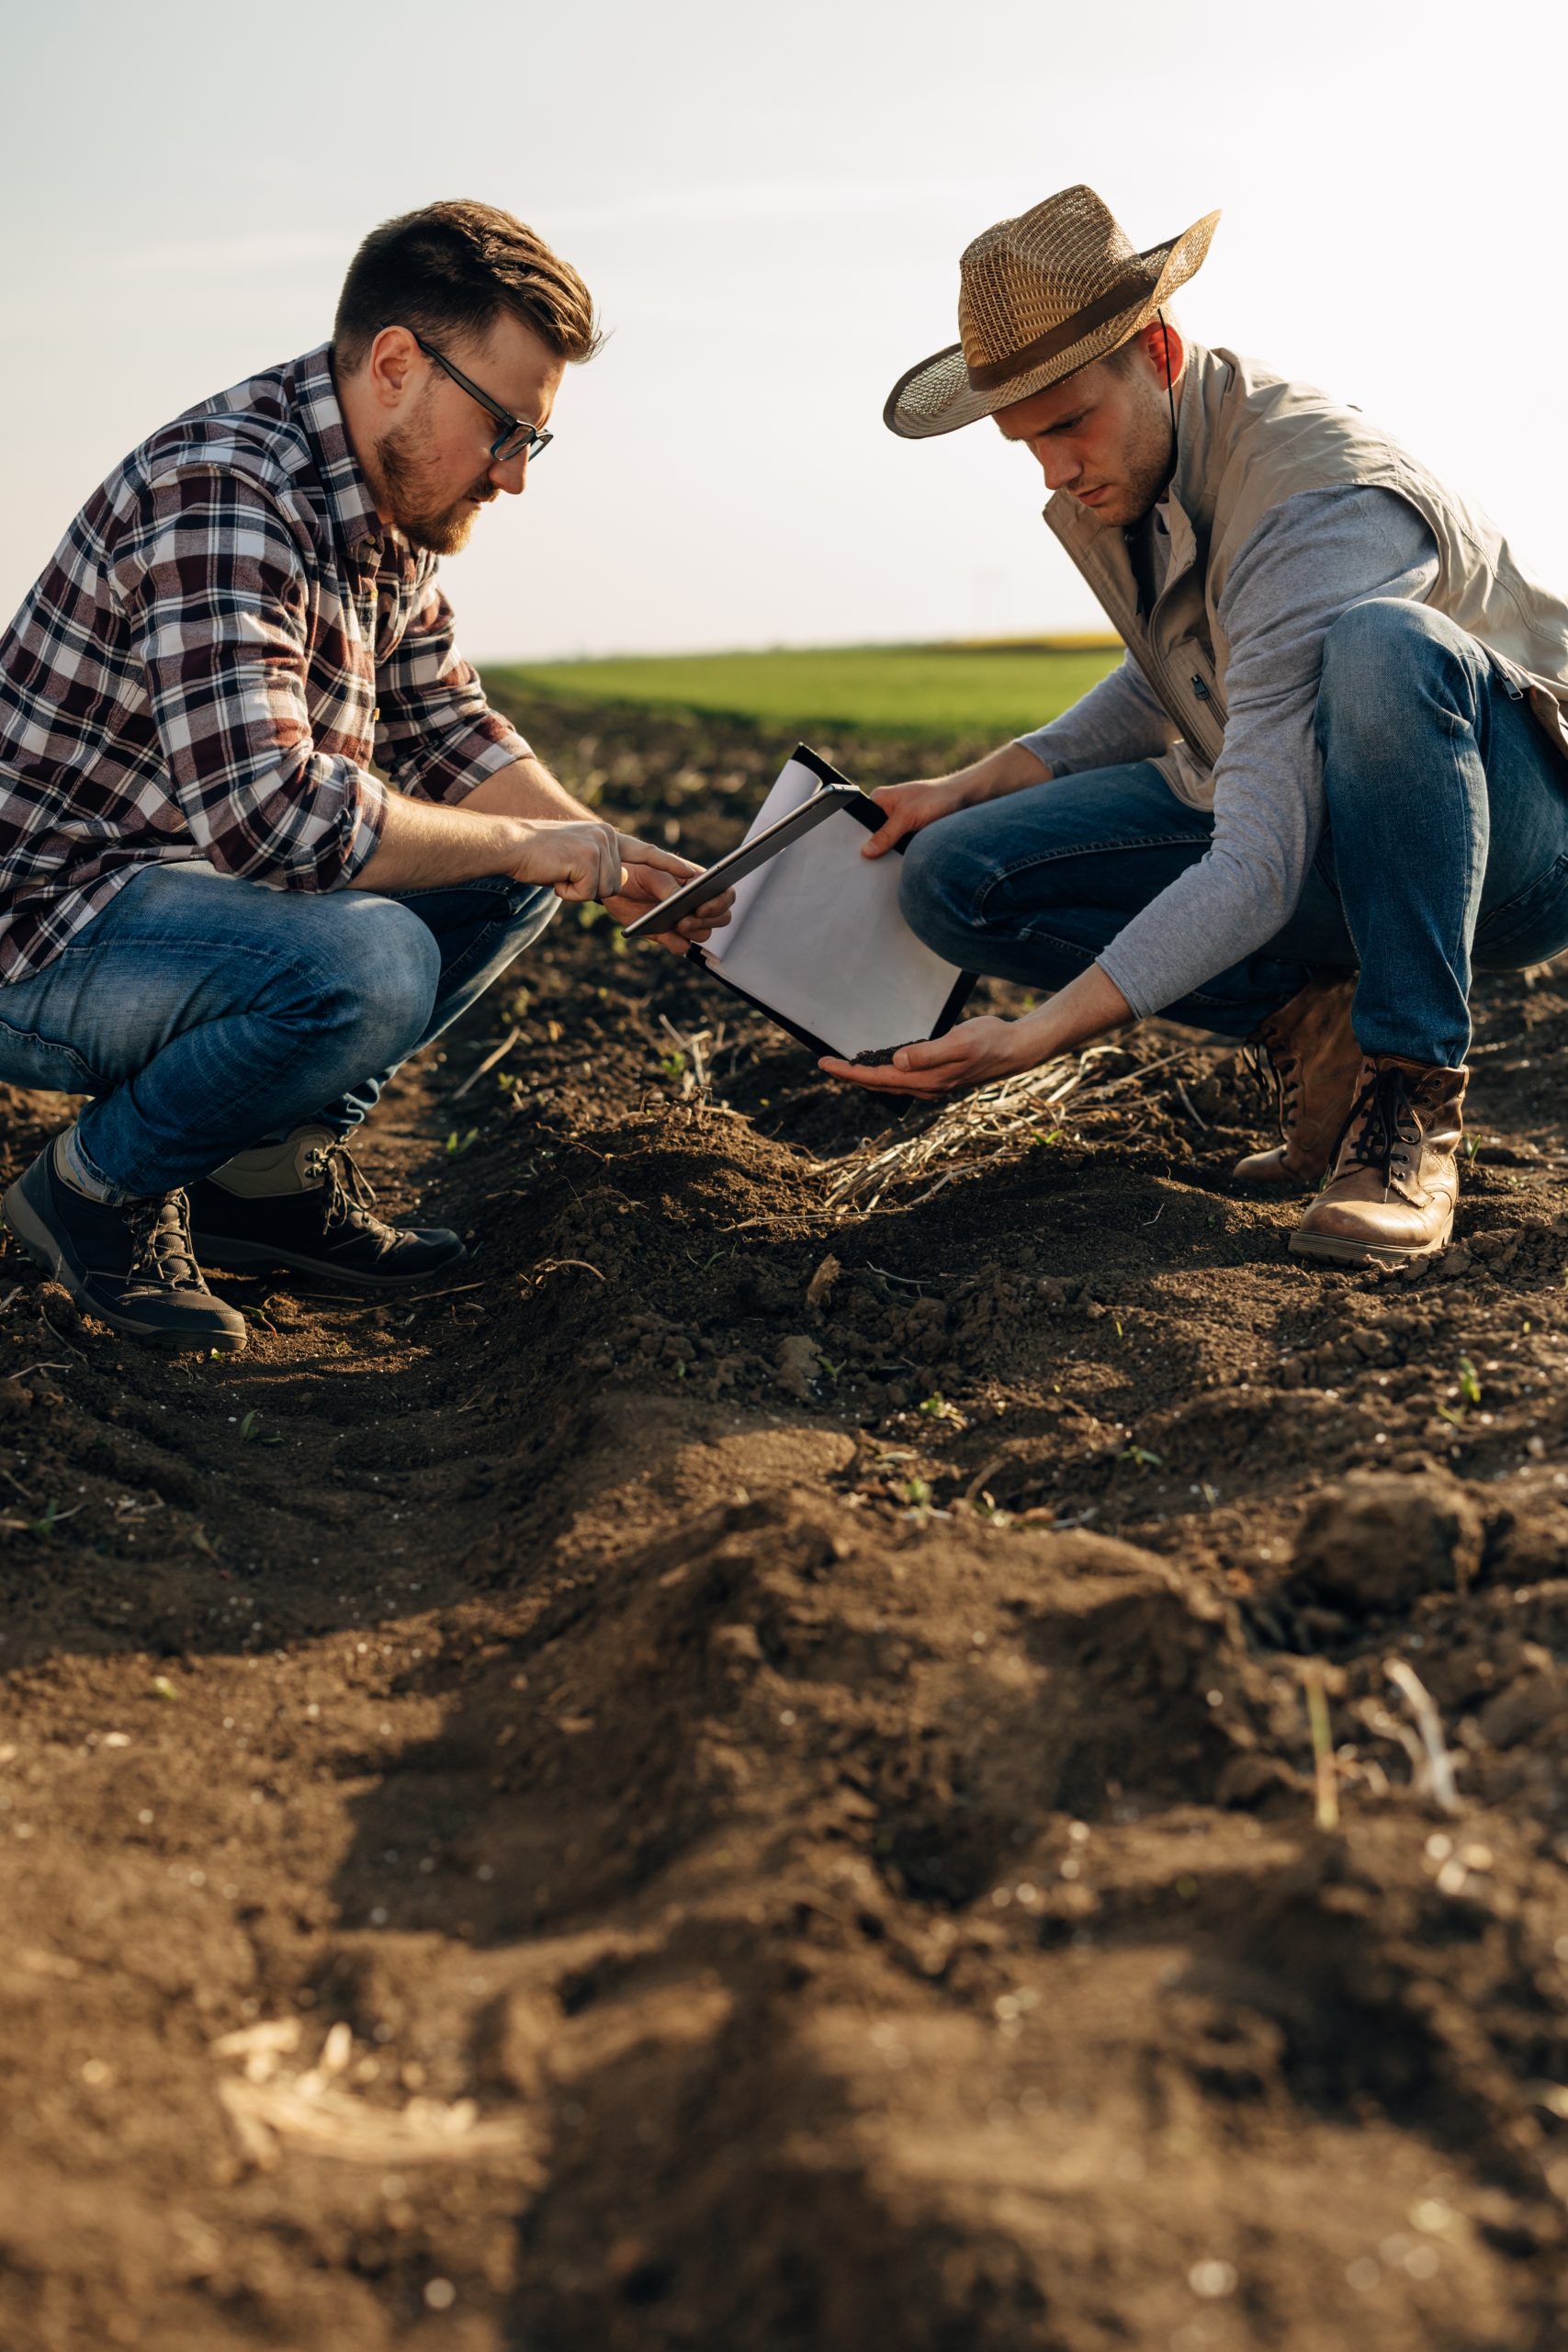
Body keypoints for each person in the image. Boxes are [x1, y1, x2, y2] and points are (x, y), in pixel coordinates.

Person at [0, 199, 727, 1352]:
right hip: (47, 934)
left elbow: (448, 723)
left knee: (517, 876)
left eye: (532, 440)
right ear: (397, 364)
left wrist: (615, 859)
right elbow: (273, 820)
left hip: (176, 901)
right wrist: (526, 845)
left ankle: (263, 1182)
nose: (515, 474)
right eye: (506, 429)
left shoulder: (389, 507)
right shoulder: (225, 491)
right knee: (374, 955)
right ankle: (92, 1191)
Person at [823, 184, 1568, 1270]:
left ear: (1158, 351)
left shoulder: (1315, 499)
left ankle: (1409, 1104)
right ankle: (1323, 1033)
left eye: (1070, 422)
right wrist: (971, 784)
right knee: (955, 872)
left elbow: (1260, 861)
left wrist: (1035, 1037)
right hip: (1327, 821)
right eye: (1025, 443)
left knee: (1380, 649)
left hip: (1515, 842)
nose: (1056, 470)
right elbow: (1171, 675)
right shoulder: (1150, 466)